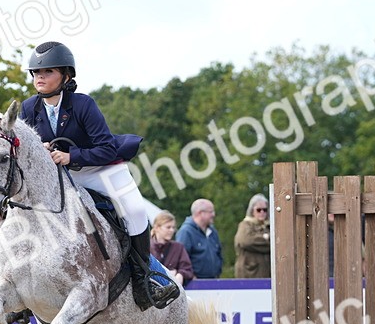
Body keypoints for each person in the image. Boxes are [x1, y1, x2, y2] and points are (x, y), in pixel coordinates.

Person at [20, 41, 179, 310]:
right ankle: (25, 290)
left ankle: (144, 278)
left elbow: (105, 148)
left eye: (47, 72)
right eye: (36, 73)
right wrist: (42, 150)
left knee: (136, 210)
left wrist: (72, 156)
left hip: (102, 170)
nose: (40, 78)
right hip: (63, 177)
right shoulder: (28, 108)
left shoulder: (83, 104)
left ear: (66, 76)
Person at [177, 198, 223, 279]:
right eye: (211, 211)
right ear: (200, 213)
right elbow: (181, 258)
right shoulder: (186, 232)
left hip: (214, 281)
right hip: (194, 283)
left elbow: (219, 253)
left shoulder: (212, 232)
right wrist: (191, 276)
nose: (214, 214)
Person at [149, 211, 194, 287]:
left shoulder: (178, 247)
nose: (172, 230)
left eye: (173, 227)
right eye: (168, 227)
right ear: (157, 227)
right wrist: (167, 274)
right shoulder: (146, 247)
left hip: (174, 292)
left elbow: (187, 269)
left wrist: (180, 274)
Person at [234, 194, 271, 278]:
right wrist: (266, 240)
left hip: (267, 274)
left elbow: (277, 243)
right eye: (259, 210)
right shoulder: (245, 225)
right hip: (249, 274)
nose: (262, 212)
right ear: (252, 210)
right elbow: (245, 241)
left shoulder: (269, 226)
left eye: (265, 210)